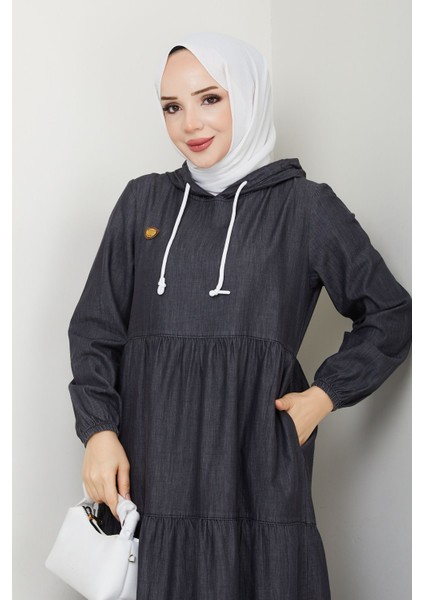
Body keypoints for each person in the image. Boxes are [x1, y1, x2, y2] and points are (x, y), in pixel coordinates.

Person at [67, 31, 412, 599]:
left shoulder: (304, 207)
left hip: (255, 467)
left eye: (210, 99)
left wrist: (322, 396)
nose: (190, 124)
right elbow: (95, 329)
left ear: (248, 96)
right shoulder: (143, 203)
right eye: (172, 107)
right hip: (154, 467)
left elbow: (390, 313)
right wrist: (99, 431)